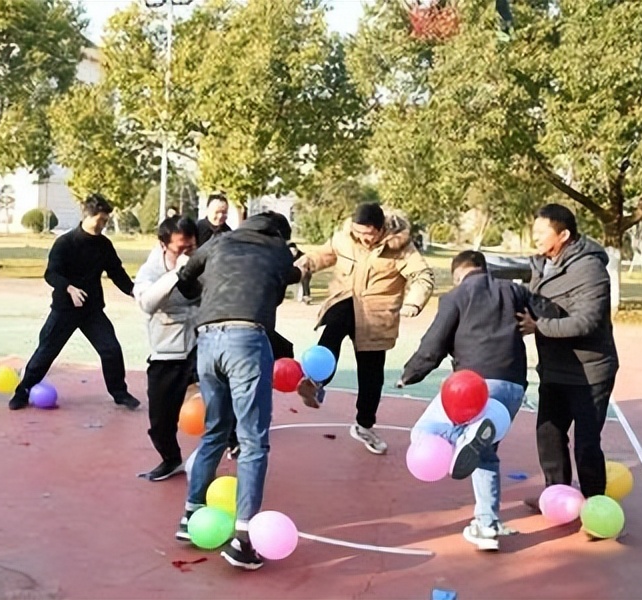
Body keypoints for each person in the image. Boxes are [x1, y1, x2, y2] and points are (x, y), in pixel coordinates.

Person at [398, 250, 562, 551]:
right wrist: (534, 323)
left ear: (458, 274)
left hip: (472, 387)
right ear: (485, 269)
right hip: (513, 386)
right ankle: (487, 525)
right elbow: (550, 311)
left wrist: (410, 374)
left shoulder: (456, 296)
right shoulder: (513, 290)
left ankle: (468, 436)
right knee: (485, 455)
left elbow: (433, 343)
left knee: (426, 431)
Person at [174, 211, 301, 571]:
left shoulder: (219, 241)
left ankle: (190, 516)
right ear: (280, 233)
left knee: (215, 429)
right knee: (252, 439)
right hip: (246, 338)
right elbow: (279, 289)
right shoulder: (278, 249)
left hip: (207, 339)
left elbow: (185, 279)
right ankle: (243, 539)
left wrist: (211, 296)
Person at [295, 203, 435, 454]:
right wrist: (301, 265)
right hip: (345, 301)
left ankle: (364, 425)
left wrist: (414, 302)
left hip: (376, 317)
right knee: (332, 332)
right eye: (358, 232)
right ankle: (315, 383)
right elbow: (320, 256)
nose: (362, 238)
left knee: (371, 377)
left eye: (368, 233)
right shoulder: (344, 238)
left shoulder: (401, 249)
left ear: (380, 230)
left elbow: (422, 275)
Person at [517, 204, 619, 503]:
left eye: (541, 232)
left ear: (563, 234)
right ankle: (557, 498)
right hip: (553, 368)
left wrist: (539, 326)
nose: (535, 237)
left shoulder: (589, 269)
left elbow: (587, 321)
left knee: (586, 444)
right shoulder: (540, 264)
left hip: (589, 371)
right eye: (533, 231)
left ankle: (595, 505)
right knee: (549, 434)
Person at [8, 194, 140, 411]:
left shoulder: (104, 245)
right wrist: (69, 288)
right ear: (87, 216)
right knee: (46, 351)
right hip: (64, 310)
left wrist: (135, 291)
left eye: (106, 221)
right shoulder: (65, 243)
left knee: (111, 349)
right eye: (100, 221)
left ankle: (120, 393)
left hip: (92, 311)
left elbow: (117, 273)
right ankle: (22, 391)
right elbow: (51, 274)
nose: (102, 225)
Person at [133, 216, 199, 481]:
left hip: (201, 347)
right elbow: (147, 303)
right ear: (163, 245)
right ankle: (171, 460)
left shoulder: (202, 264)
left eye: (192, 248)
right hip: (167, 353)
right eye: (180, 249)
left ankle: (233, 440)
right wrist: (176, 273)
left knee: (223, 400)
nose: (187, 254)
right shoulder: (150, 271)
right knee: (160, 422)